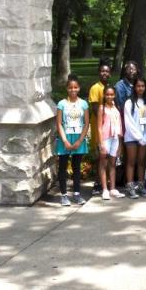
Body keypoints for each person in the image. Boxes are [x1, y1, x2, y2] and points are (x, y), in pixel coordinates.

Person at [55, 75, 89, 206]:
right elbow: (59, 124)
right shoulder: (62, 104)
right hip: (66, 138)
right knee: (62, 167)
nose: (73, 89)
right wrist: (65, 141)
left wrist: (80, 140)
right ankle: (63, 195)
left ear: (79, 88)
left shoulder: (83, 104)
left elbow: (86, 123)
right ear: (66, 89)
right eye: (70, 87)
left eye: (75, 87)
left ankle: (76, 193)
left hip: (78, 138)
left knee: (76, 167)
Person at [123, 77, 146, 198]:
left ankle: (141, 186)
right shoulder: (129, 102)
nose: (140, 88)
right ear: (134, 87)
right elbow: (129, 122)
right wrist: (139, 137)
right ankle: (130, 187)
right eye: (138, 86)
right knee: (131, 162)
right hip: (132, 137)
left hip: (144, 137)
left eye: (143, 86)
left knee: (141, 162)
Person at [97, 86, 125, 200]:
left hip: (115, 138)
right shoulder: (101, 108)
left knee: (112, 163)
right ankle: (104, 189)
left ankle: (112, 188)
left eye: (112, 94)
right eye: (107, 94)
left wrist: (120, 143)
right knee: (103, 163)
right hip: (105, 138)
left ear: (114, 95)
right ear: (104, 95)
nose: (110, 96)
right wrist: (101, 143)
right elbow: (99, 127)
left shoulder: (116, 107)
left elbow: (120, 124)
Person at [87, 62, 112, 188]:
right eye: (102, 71)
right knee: (99, 156)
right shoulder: (95, 88)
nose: (105, 73)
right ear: (99, 72)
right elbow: (96, 109)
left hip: (108, 128)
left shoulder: (108, 88)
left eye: (107, 71)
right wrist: (105, 124)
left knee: (106, 156)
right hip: (100, 128)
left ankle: (105, 182)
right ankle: (97, 184)